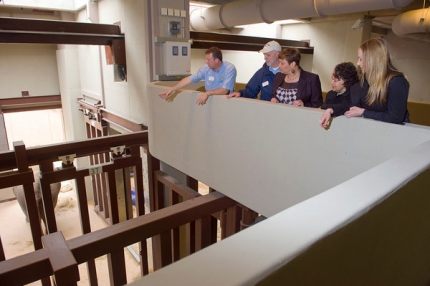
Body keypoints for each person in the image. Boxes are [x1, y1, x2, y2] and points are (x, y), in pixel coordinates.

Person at [345, 38, 410, 124]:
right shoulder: (367, 81)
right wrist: (331, 110)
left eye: (361, 59)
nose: (358, 63)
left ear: (372, 60)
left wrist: (363, 112)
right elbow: (351, 103)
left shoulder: (396, 81)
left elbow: (395, 118)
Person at [159, 47, 237, 105]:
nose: (206, 62)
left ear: (216, 60)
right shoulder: (206, 68)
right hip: (211, 101)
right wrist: (172, 89)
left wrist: (207, 93)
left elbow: (224, 90)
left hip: (225, 102)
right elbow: (189, 79)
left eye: (208, 59)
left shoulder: (229, 69)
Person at [319, 62, 359, 128]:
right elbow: (323, 107)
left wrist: (330, 109)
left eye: (335, 80)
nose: (331, 83)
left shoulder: (353, 96)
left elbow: (345, 107)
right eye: (332, 79)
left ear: (346, 81)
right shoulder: (330, 94)